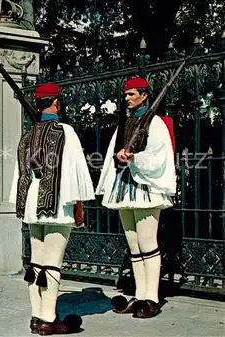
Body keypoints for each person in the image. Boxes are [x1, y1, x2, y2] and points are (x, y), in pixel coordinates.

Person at [9, 83, 95, 335]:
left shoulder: (27, 136)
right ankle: (48, 318)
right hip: (58, 202)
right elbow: (76, 170)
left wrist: (22, 206)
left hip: (32, 203)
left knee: (36, 262)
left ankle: (36, 316)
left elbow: (21, 175)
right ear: (56, 103)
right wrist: (79, 204)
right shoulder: (66, 131)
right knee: (53, 262)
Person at [95, 77, 176, 318]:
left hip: (144, 187)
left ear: (144, 95)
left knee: (148, 243)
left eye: (132, 94)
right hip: (123, 186)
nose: (127, 98)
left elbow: (160, 156)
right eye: (126, 94)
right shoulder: (126, 123)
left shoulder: (155, 123)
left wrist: (135, 159)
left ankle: (152, 297)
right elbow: (112, 153)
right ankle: (140, 295)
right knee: (134, 245)